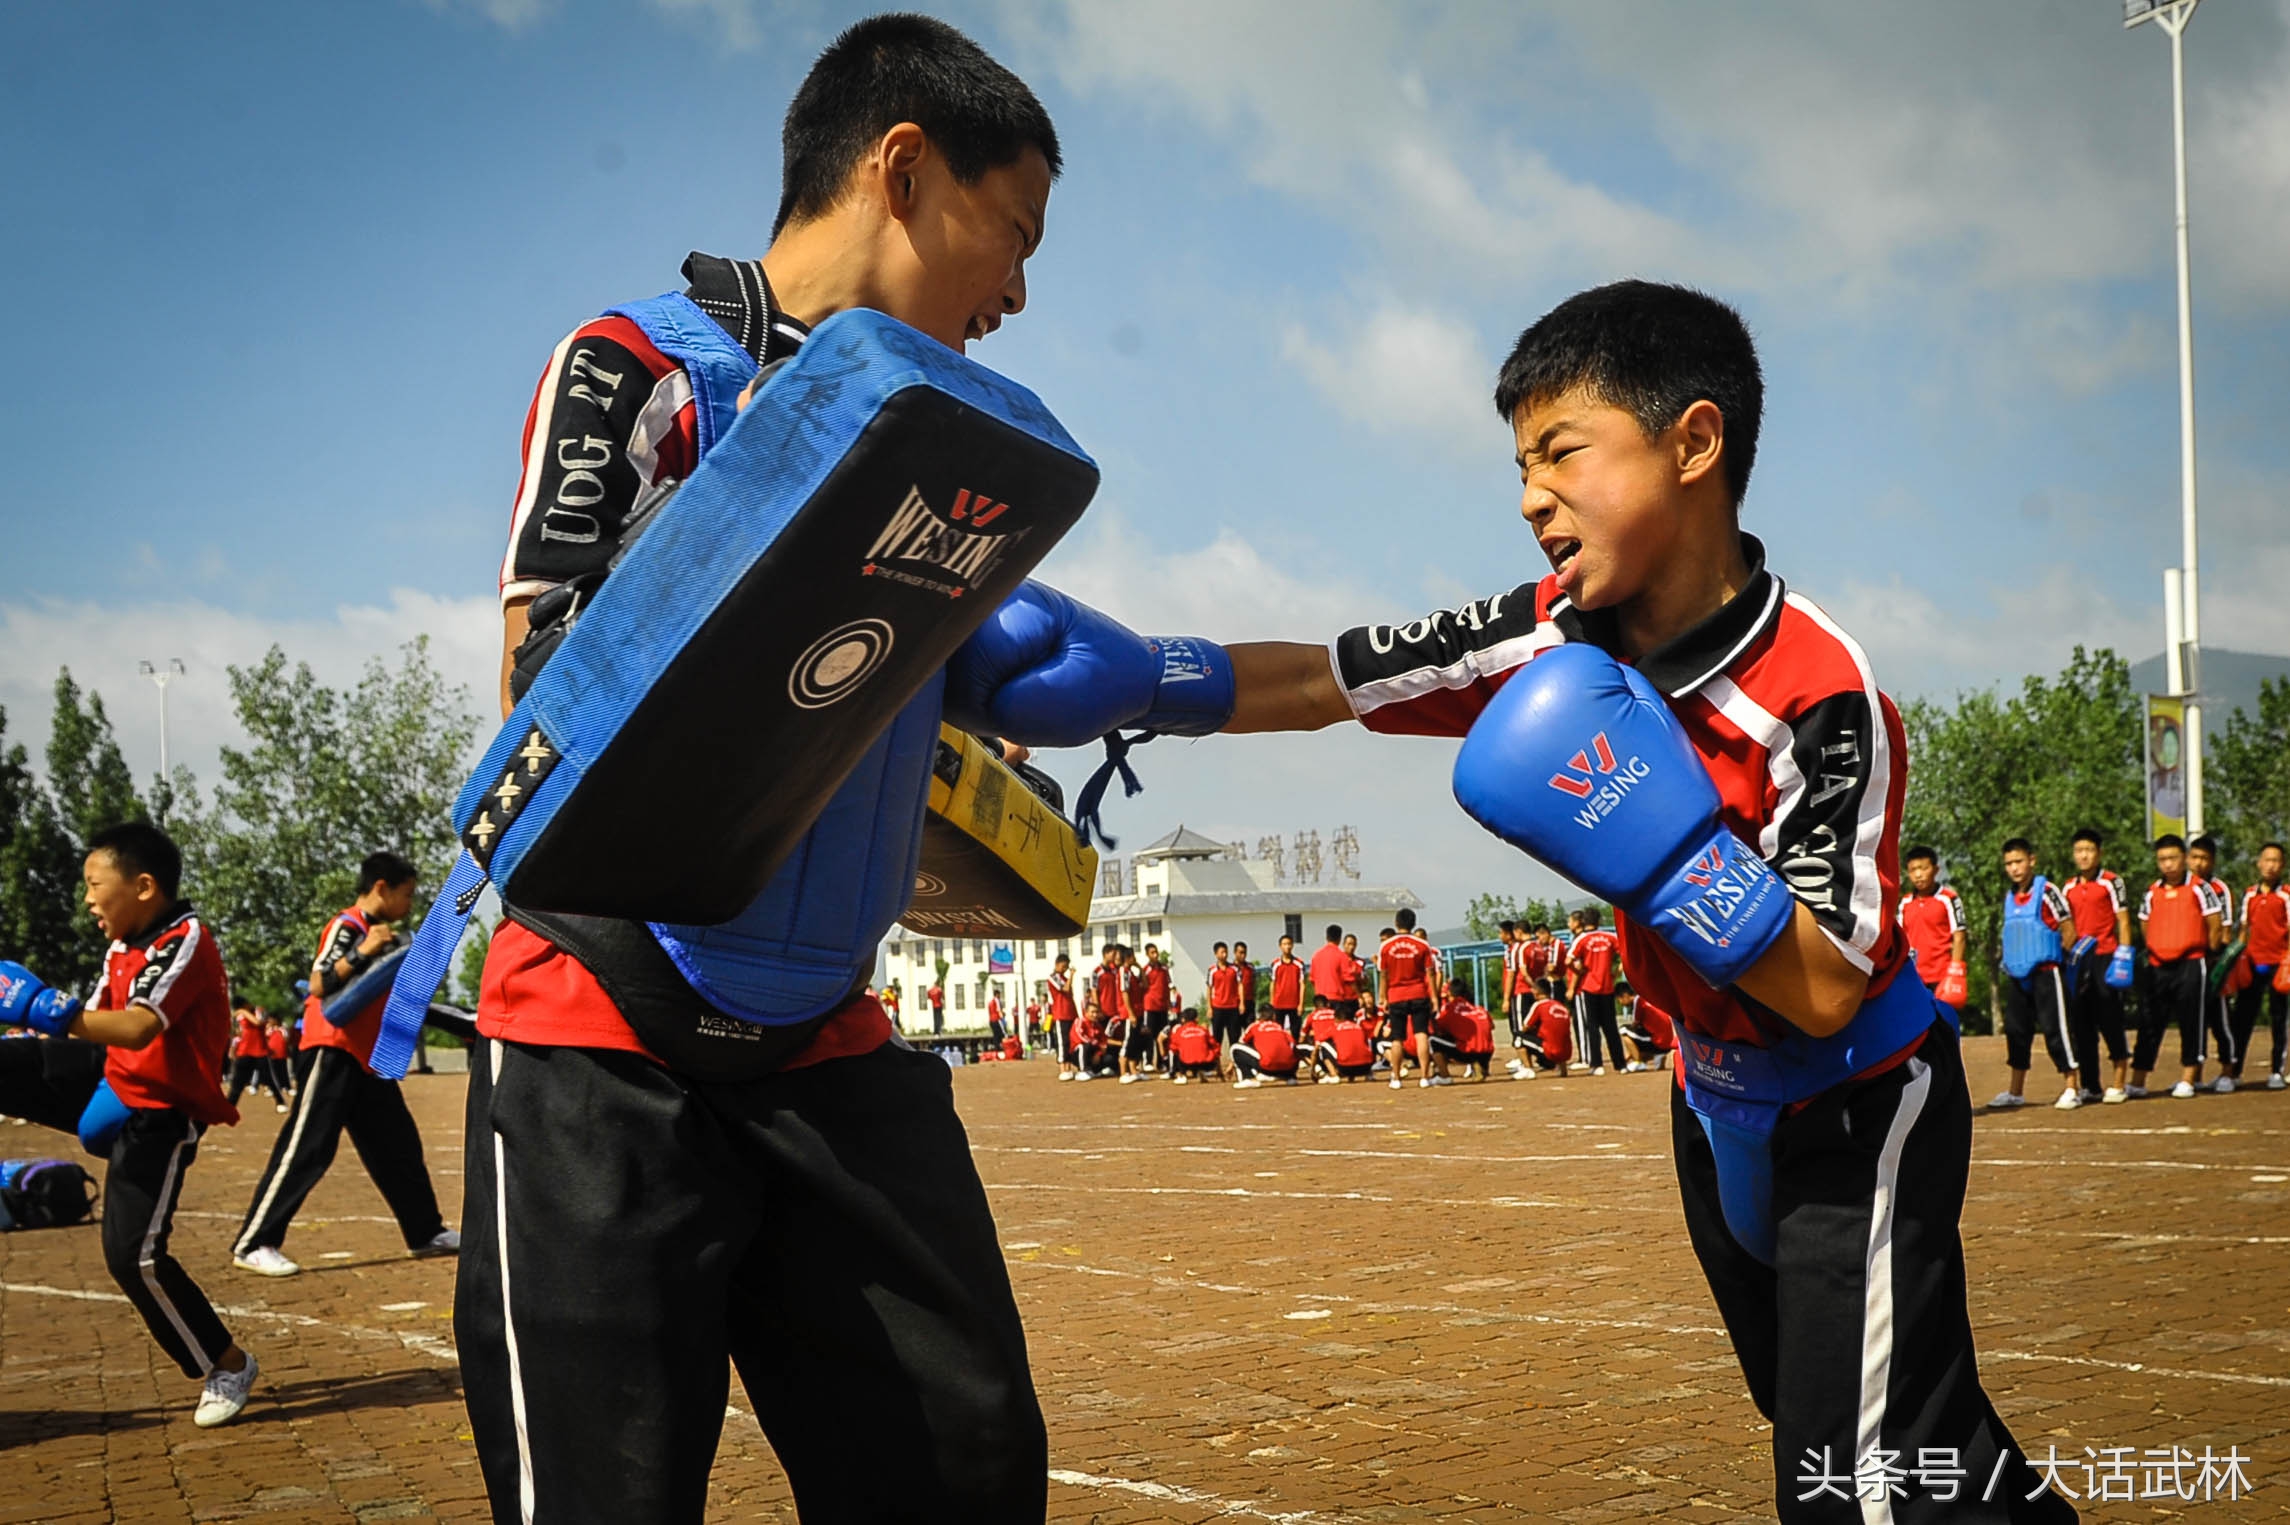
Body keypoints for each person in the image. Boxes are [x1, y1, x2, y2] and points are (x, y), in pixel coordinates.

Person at [939, 280, 2074, 1517]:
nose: (1532, 493)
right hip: (1708, 1096)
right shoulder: (1552, 631)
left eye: (1561, 452)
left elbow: (1816, 986)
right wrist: (1138, 679)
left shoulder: (1820, 690)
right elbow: (1332, 677)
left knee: (1853, 1478)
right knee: (1875, 1434)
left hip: (1855, 1106)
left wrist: (1658, 846)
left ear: (1694, 443)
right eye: (1519, 462)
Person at [463, 18, 1061, 1517]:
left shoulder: (949, 446)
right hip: (604, 1025)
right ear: (902, 167)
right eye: (1012, 230)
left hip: (826, 1038)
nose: (1019, 289)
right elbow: (547, 680)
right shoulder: (639, 364)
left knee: (969, 1470)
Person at [0, 822, 259, 1427]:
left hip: (161, 1109)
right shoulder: (122, 943)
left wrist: (44, 1008)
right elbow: (92, 1020)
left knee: (133, 1258)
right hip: (111, 1076)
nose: (87, 898)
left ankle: (227, 1363)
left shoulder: (185, 938)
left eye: (95, 884)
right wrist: (45, 1019)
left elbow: (140, 1026)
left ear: (143, 886)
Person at [232, 852, 456, 1276]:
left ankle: (425, 1232)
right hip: (331, 1048)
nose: (410, 904)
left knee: (398, 1147)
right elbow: (319, 982)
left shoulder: (383, 933)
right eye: (405, 895)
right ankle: (255, 1241)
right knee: (307, 1147)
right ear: (380, 889)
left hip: (367, 1056)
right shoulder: (349, 925)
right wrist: (363, 951)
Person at [2129, 834, 2225, 1100]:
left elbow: (2214, 924)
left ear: (2183, 859)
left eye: (2172, 858)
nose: (2168, 864)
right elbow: (2144, 923)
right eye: (2162, 859)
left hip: (2191, 964)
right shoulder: (2152, 891)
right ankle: (2138, 1080)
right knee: (2149, 1022)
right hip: (2158, 965)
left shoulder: (2199, 888)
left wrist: (2209, 953)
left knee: (2191, 1021)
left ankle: (2188, 1078)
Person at [1991, 838, 2079, 1111]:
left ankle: (2072, 1087)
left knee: (2056, 1029)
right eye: (2009, 864)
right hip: (2018, 975)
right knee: (2016, 1032)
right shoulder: (2009, 897)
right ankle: (2015, 1091)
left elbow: (2069, 929)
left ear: (2032, 860)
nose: (2014, 868)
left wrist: (2061, 959)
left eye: (2018, 861)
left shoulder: (2048, 891)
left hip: (2046, 972)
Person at [2062, 828, 2135, 1103]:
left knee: (2111, 1019)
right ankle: (2091, 1085)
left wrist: (2124, 955)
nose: (2084, 856)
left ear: (2099, 853)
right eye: (2079, 850)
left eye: (2089, 850)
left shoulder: (2112, 882)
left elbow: (2124, 919)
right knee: (2081, 1024)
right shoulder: (2068, 886)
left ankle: (2119, 1082)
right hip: (2079, 960)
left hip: (2107, 955)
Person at [2188, 834, 2242, 1091]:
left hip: (2212, 962)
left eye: (2204, 859)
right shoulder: (2184, 886)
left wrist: (2218, 961)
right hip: (2189, 962)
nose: (2198, 863)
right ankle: (2194, 1074)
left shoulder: (2220, 889)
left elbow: (2225, 930)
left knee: (2220, 1020)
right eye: (2194, 857)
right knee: (2195, 1020)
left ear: (2212, 861)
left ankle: (2228, 1072)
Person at [2236, 844, 2290, 1091]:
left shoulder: (2286, 895)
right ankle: (2234, 1072)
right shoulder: (2250, 895)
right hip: (2252, 964)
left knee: (2278, 1019)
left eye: (2276, 861)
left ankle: (2276, 1071)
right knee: (2243, 1018)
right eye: (2267, 860)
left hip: (2278, 965)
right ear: (2259, 863)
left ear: (2283, 865)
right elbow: (2243, 930)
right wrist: (2237, 958)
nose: (2271, 865)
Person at [1896, 846, 1969, 1011]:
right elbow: (1899, 938)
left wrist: (1955, 971)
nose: (1918, 874)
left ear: (1935, 870)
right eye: (1913, 870)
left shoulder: (1949, 899)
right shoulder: (1905, 902)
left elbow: (1959, 935)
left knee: (1943, 1025)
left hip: (1942, 976)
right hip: (1913, 976)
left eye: (1924, 868)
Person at [1376, 909, 1438, 1089]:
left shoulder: (1386, 946)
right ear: (1413, 923)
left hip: (1396, 995)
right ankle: (1425, 1077)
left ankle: (1396, 1077)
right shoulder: (1422, 945)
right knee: (1421, 1034)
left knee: (1397, 1038)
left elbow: (1383, 975)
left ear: (1396, 923)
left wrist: (1383, 997)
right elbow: (1430, 974)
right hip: (1419, 993)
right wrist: (1434, 997)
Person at [1566, 907, 1625, 1076]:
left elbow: (1569, 960)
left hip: (1589, 987)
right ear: (1599, 921)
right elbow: (1625, 954)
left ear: (1584, 922)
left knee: (1592, 1027)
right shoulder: (1609, 937)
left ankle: (1597, 1064)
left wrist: (1580, 971)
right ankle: (1620, 1064)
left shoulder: (1581, 939)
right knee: (1611, 1027)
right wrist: (1617, 971)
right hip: (1607, 986)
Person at [225, 996, 287, 1111]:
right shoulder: (239, 1014)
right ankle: (229, 1107)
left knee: (269, 1080)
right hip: (244, 1051)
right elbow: (233, 1023)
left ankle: (280, 1102)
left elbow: (258, 1022)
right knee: (237, 1083)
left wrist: (243, 1011)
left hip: (260, 1052)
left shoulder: (258, 1011)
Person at [1429, 978, 1496, 1080]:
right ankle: (1481, 1066)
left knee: (1433, 1040)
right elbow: (1492, 1026)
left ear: (1450, 993)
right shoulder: (1479, 1009)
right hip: (1487, 1053)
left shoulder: (1450, 1008)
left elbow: (1439, 1027)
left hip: (1466, 1053)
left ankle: (1444, 1076)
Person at [1311, 1007, 1376, 1084]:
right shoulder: (1359, 1027)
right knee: (1361, 1044)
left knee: (1323, 1045)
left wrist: (1312, 1070)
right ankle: (1369, 1074)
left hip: (1345, 1069)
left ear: (1337, 1018)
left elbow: (1317, 1044)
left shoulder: (1335, 1028)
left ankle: (1334, 1076)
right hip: (1366, 1067)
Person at [1232, 1013, 1298, 1087]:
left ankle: (1248, 1078)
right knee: (1293, 1049)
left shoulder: (1255, 1025)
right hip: (1288, 1068)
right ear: (1274, 1016)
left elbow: (1241, 1043)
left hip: (1267, 1066)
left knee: (1235, 1047)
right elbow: (1293, 1044)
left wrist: (1232, 1064)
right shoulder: (1279, 1027)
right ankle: (1291, 1077)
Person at [1308, 925, 1357, 1022]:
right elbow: (1348, 978)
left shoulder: (1316, 955)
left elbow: (1312, 979)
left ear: (1326, 937)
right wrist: (1358, 995)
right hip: (1336, 997)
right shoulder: (1341, 956)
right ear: (1339, 939)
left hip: (1320, 999)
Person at [1048, 952, 1081, 1081]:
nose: (1065, 969)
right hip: (1061, 1014)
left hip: (1070, 1012)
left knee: (1071, 1041)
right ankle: (1063, 1068)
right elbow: (1065, 989)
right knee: (1063, 1042)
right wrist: (1072, 976)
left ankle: (1070, 1066)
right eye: (1063, 966)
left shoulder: (1063, 978)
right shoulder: (1053, 977)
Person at [1267, 933, 1306, 1038]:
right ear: (1280, 946)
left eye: (1289, 944)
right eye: (1284, 944)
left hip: (1294, 1004)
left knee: (1295, 1033)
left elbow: (1302, 984)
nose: (1287, 947)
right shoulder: (1275, 964)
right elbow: (1273, 984)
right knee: (1278, 1032)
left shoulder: (1299, 963)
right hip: (1279, 1004)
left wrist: (1301, 1003)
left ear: (1292, 945)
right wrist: (1272, 1003)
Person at [1167, 1009, 1221, 1083]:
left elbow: (1173, 1047)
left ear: (1183, 1020)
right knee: (1213, 1049)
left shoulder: (1179, 1031)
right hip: (1207, 1065)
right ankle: (1214, 1072)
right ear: (1196, 1019)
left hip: (1187, 1065)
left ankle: (1182, 1075)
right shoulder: (1203, 1030)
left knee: (1175, 1051)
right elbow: (1215, 1046)